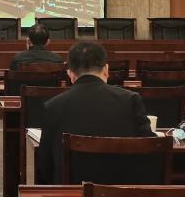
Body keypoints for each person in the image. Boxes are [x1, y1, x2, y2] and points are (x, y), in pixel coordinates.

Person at [35, 41, 154, 185]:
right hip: (122, 192)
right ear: (106, 69)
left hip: (72, 194)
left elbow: (45, 165)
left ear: (70, 73)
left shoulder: (53, 106)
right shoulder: (131, 100)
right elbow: (151, 150)